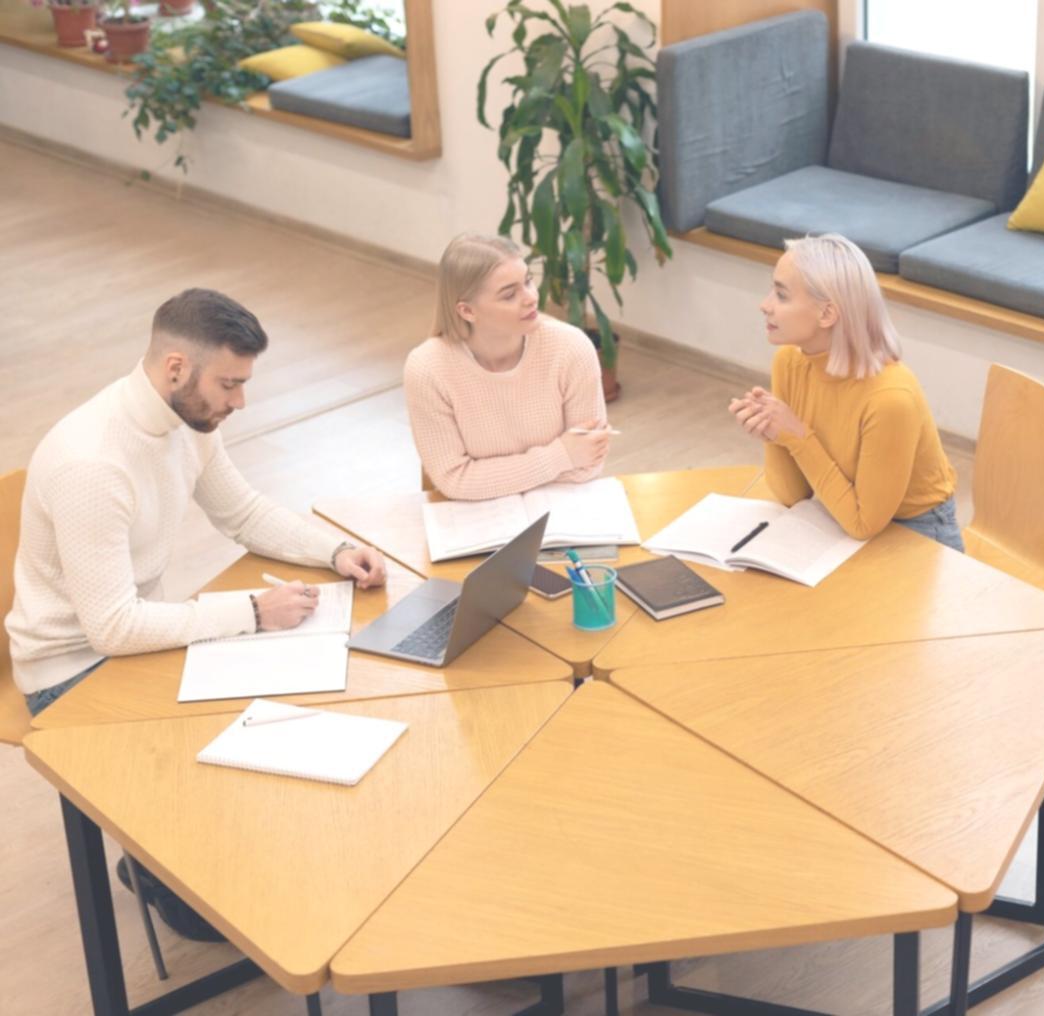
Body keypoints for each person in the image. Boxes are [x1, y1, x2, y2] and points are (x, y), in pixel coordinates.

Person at [5, 287, 387, 938]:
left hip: (135, 635)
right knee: (233, 739)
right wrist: (252, 612)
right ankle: (177, 873)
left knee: (292, 704)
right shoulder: (93, 464)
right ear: (176, 368)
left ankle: (206, 859)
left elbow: (242, 511)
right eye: (230, 384)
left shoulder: (189, 422)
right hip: (73, 669)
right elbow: (112, 627)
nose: (241, 402)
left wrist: (336, 548)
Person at [729, 234, 964, 550]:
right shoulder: (789, 362)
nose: (765, 305)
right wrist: (775, 433)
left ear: (827, 314)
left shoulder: (890, 398)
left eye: (781, 295)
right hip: (839, 508)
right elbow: (792, 496)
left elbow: (863, 524)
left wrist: (797, 435)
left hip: (916, 531)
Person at [404, 233, 611, 500]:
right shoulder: (428, 369)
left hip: (560, 512)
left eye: (528, 281)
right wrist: (562, 455)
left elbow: (587, 464)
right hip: (473, 522)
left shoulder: (571, 348)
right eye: (509, 294)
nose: (530, 298)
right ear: (467, 311)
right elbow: (455, 480)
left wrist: (488, 478)